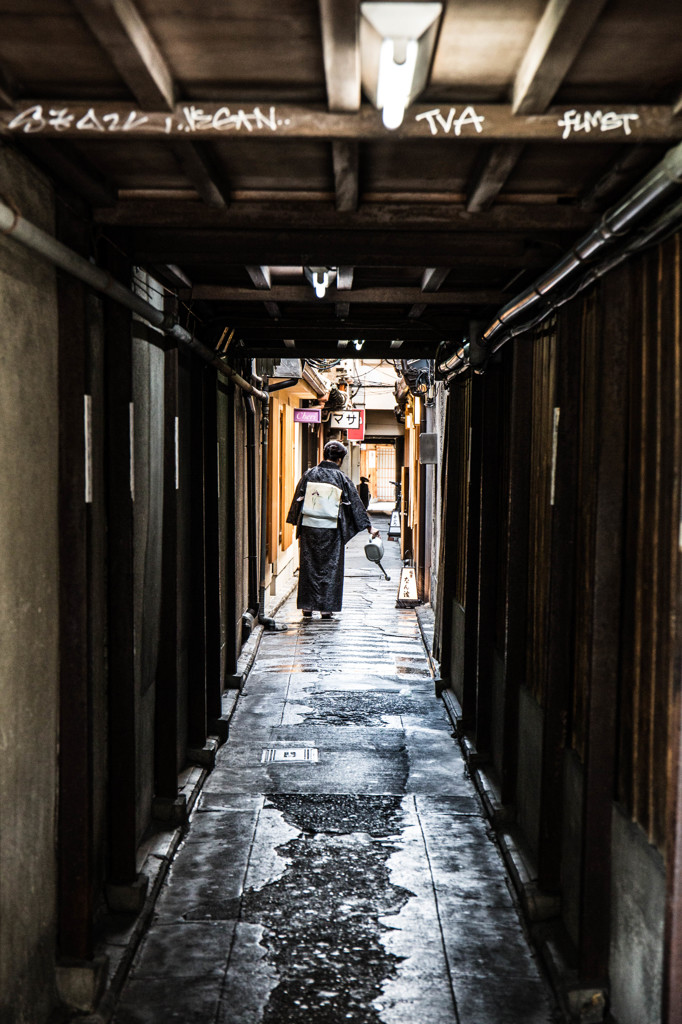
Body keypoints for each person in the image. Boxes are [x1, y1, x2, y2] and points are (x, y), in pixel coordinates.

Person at [286, 440, 380, 618]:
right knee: (331, 567)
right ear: (340, 460)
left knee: (309, 566)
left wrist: (294, 519)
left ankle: (307, 606)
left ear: (324, 456)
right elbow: (355, 504)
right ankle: (326, 608)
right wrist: (369, 527)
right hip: (331, 529)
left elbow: (298, 497)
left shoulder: (309, 474)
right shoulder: (342, 478)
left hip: (310, 528)